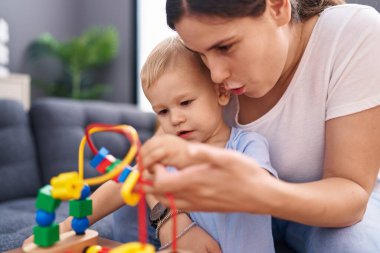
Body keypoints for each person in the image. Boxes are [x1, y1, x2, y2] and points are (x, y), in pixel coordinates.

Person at [140, 0, 380, 252]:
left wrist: (259, 193)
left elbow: (351, 194)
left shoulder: (353, 33)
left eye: (225, 47)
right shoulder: (207, 62)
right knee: (125, 213)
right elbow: (154, 162)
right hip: (237, 210)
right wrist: (173, 223)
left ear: (277, 7)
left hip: (324, 213)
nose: (215, 75)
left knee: (349, 244)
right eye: (200, 54)